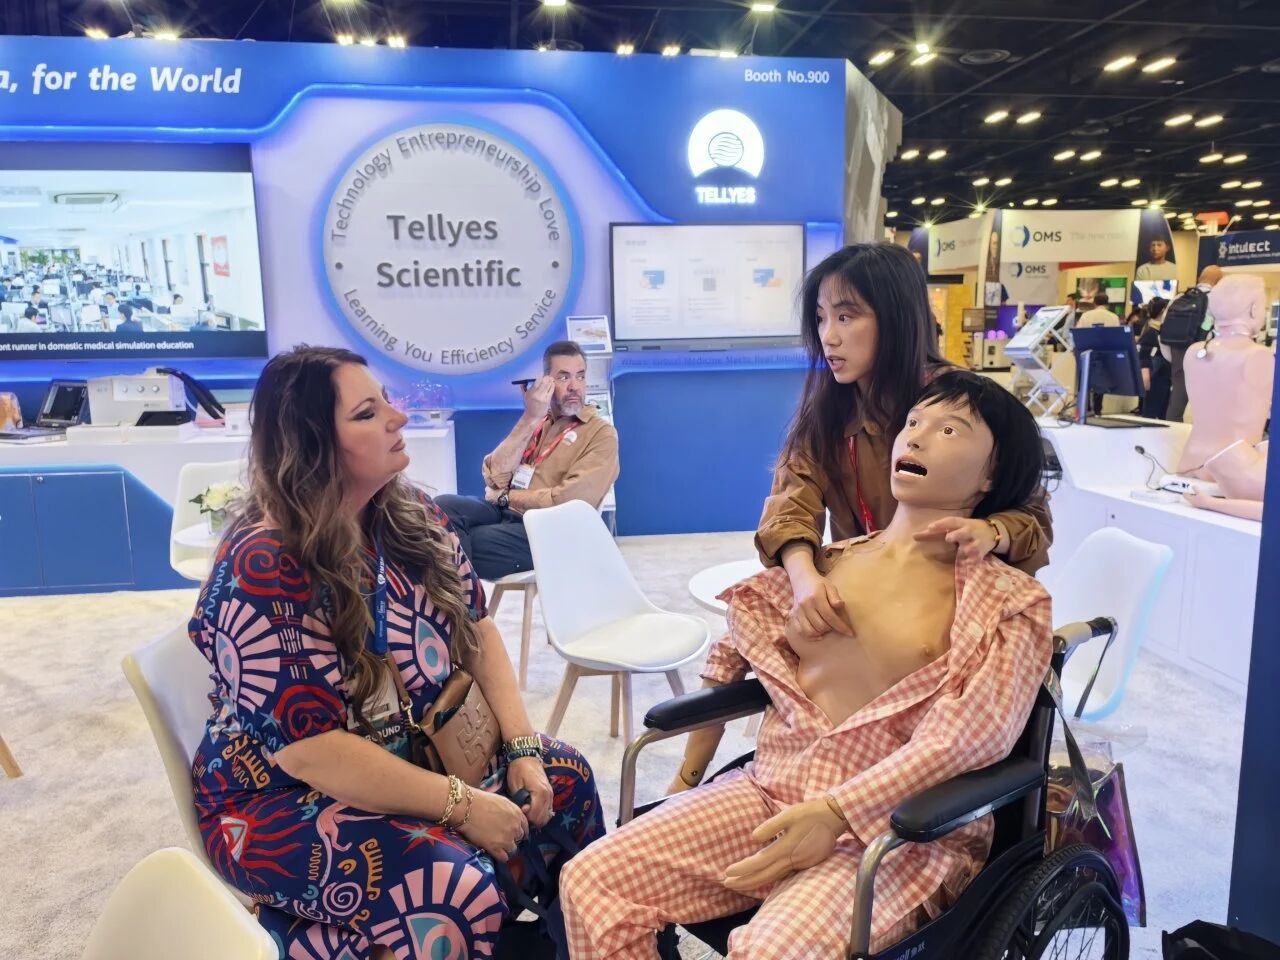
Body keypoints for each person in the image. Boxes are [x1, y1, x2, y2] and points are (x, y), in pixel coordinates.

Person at [559, 371, 1054, 957]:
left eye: (949, 430)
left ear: (991, 474)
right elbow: (738, 642)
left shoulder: (1008, 601)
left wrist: (838, 811)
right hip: (773, 788)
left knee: (770, 953)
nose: (916, 437)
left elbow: (972, 735)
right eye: (914, 422)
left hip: (898, 830)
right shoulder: (827, 566)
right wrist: (691, 772)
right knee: (592, 880)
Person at [190, 345, 605, 960]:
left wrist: (521, 748)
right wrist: (462, 806)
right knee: (451, 891)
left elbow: (477, 628)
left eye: (385, 401)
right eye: (367, 413)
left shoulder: (411, 515)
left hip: (424, 747)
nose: (398, 417)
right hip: (281, 796)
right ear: (311, 446)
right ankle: (301, 935)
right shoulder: (264, 564)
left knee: (565, 781)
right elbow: (312, 752)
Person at [753, 242, 1051, 647]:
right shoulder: (826, 411)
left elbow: (1033, 517)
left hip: (953, 616)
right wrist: (804, 576)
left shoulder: (963, 402)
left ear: (895, 318)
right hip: (865, 598)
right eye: (821, 319)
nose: (829, 337)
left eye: (846, 316)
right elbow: (790, 507)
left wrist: (991, 531)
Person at [435, 340, 619, 580]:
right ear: (546, 383)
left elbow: (569, 502)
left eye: (581, 377)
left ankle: (461, 602)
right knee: (441, 506)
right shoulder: (539, 421)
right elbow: (495, 476)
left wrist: (507, 497)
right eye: (564, 377)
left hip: (552, 531)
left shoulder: (601, 434)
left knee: (462, 543)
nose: (574, 386)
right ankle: (461, 600)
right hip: (507, 514)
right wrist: (530, 417)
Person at [1164, 265, 1225, 423]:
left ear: (1199, 278)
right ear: (1218, 282)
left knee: (1178, 393)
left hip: (1177, 349)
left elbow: (1164, 328)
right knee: (1206, 394)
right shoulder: (1217, 299)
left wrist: (1172, 356)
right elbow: (1219, 328)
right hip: (1204, 350)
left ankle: (1172, 427)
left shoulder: (1179, 297)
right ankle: (1202, 429)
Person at [1138, 297, 1171, 419]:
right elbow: (1143, 354)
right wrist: (1145, 375)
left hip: (1162, 376)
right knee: (1151, 413)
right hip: (1156, 378)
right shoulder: (1152, 331)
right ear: (1163, 311)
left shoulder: (1157, 329)